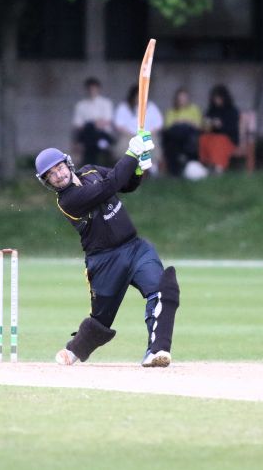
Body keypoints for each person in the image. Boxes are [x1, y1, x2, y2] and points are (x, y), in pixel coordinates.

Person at [34, 132, 180, 368]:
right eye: (51, 174)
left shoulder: (90, 171)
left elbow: (125, 183)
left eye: (59, 168)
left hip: (135, 248)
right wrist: (131, 153)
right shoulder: (68, 200)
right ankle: (74, 349)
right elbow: (109, 186)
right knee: (101, 321)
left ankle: (157, 350)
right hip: (105, 261)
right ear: (48, 182)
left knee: (163, 289)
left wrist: (138, 168)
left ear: (67, 163)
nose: (58, 175)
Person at [113, 84, 163, 172]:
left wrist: (145, 135)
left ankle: (151, 168)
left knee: (152, 144)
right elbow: (119, 125)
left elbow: (158, 124)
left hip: (147, 136)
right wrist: (133, 135)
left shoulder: (151, 107)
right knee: (123, 146)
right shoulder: (124, 107)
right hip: (128, 136)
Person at [71, 77, 115, 166]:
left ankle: (90, 163)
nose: (92, 91)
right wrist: (93, 124)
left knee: (91, 135)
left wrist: (92, 124)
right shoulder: (81, 105)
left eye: (94, 88)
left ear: (98, 89)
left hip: (102, 134)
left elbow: (107, 121)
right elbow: (78, 124)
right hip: (86, 134)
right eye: (90, 89)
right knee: (89, 132)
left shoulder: (105, 103)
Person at [162, 87, 202, 177]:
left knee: (189, 135)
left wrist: (188, 121)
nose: (182, 100)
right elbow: (168, 127)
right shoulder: (171, 111)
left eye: (184, 98)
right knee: (172, 141)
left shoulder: (194, 109)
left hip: (190, 135)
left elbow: (199, 125)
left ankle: (191, 168)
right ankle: (175, 172)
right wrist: (179, 121)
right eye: (180, 98)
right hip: (175, 136)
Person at [200, 84, 240, 174]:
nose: (217, 100)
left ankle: (219, 168)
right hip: (212, 137)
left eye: (219, 98)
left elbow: (232, 129)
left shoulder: (232, 111)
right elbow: (205, 124)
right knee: (203, 138)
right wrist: (208, 124)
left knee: (219, 140)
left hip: (228, 138)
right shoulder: (211, 110)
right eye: (215, 98)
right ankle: (207, 166)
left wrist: (221, 126)